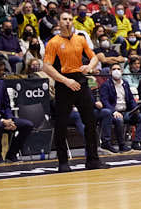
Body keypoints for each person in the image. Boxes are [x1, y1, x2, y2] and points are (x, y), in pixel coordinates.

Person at [42, 11, 106, 172]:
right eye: (65, 19)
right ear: (59, 22)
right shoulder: (53, 42)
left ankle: (93, 159)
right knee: (61, 125)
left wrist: (89, 67)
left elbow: (95, 57)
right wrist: (65, 80)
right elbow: (47, 66)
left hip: (81, 81)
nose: (68, 22)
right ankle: (63, 162)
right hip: (64, 83)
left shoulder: (80, 39)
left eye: (70, 19)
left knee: (90, 122)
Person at [97, 62, 141, 153]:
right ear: (110, 72)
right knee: (119, 119)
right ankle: (122, 145)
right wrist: (113, 111)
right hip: (113, 113)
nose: (117, 71)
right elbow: (104, 101)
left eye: (118, 69)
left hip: (126, 111)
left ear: (122, 71)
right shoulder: (106, 85)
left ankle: (136, 143)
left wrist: (135, 108)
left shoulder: (125, 84)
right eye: (114, 69)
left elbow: (131, 99)